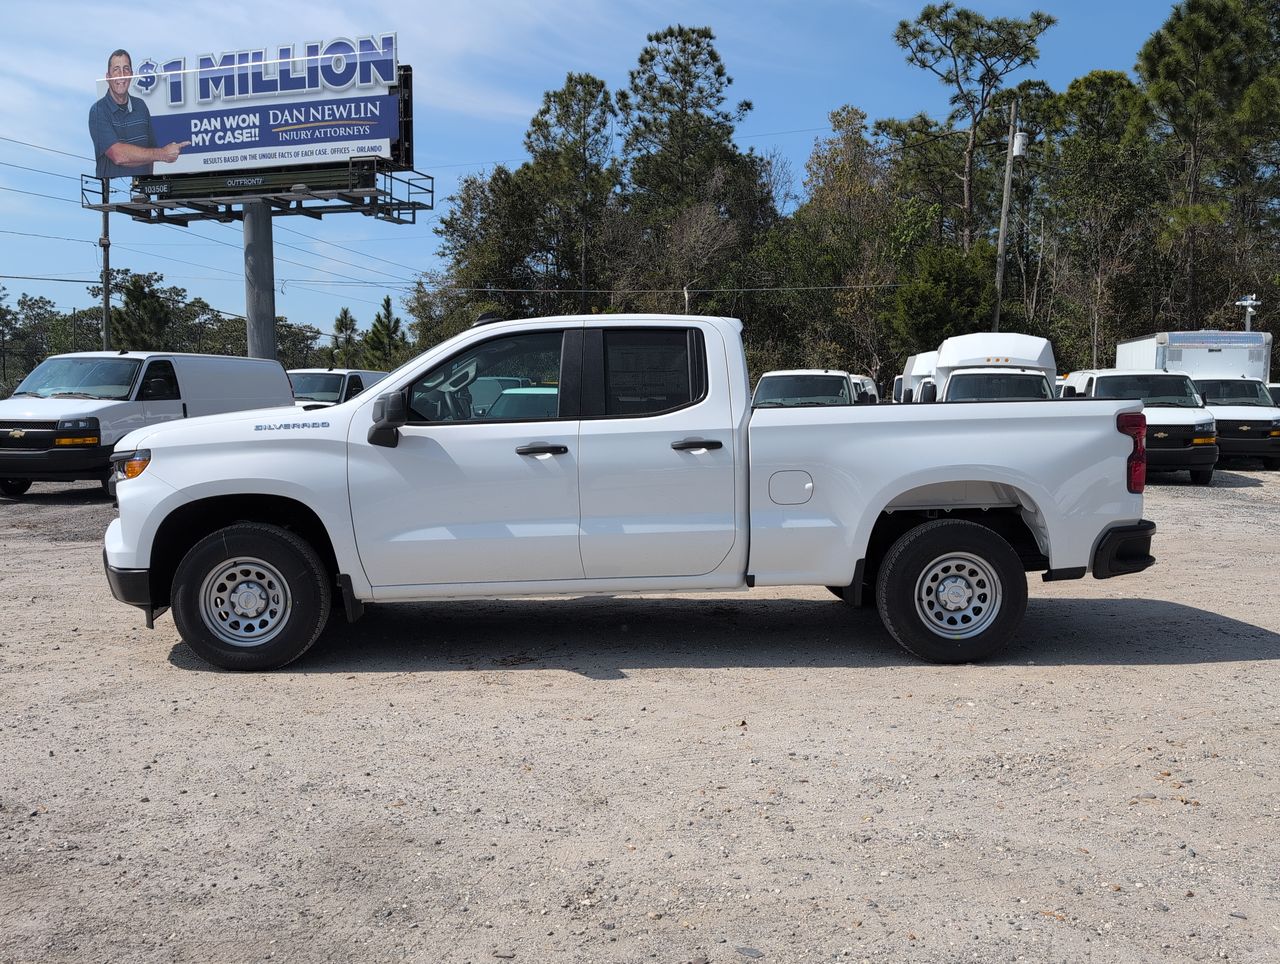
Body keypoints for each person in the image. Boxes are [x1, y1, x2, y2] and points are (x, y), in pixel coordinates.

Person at [88, 49, 189, 178]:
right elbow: (118, 155)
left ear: (131, 74)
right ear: (108, 77)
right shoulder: (98, 111)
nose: (122, 74)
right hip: (115, 192)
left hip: (142, 191)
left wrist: (148, 186)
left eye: (126, 69)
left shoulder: (140, 106)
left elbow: (150, 150)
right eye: (116, 70)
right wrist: (163, 153)